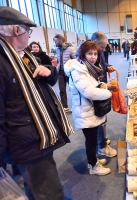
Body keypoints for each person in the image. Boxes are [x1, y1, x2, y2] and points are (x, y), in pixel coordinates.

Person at [0, 6, 73, 199]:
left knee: (34, 189)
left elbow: (45, 79)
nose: (29, 36)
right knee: (49, 192)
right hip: (26, 143)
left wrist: (49, 72)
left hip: (34, 137)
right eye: (28, 31)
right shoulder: (4, 61)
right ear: (17, 30)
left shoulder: (23, 56)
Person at [64, 41, 112, 175]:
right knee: (90, 140)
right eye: (89, 53)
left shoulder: (88, 67)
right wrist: (108, 93)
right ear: (83, 54)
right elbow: (89, 92)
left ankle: (94, 160)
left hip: (89, 110)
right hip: (84, 111)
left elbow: (91, 85)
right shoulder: (78, 70)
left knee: (93, 138)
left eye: (95, 54)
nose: (93, 57)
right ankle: (93, 166)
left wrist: (101, 84)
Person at [91, 31, 117, 157]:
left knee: (103, 117)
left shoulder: (98, 53)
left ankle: (102, 141)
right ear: (95, 43)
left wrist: (108, 67)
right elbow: (93, 78)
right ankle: (101, 146)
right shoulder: (90, 56)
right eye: (102, 46)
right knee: (100, 118)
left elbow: (102, 66)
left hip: (102, 88)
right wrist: (106, 86)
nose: (104, 49)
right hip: (97, 91)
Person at [53, 34, 76, 113]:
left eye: (56, 41)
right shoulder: (57, 49)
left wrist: (71, 69)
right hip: (60, 72)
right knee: (62, 90)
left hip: (69, 73)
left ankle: (75, 106)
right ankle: (64, 106)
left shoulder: (71, 49)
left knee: (72, 90)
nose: (55, 42)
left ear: (60, 40)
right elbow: (58, 61)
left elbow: (75, 60)